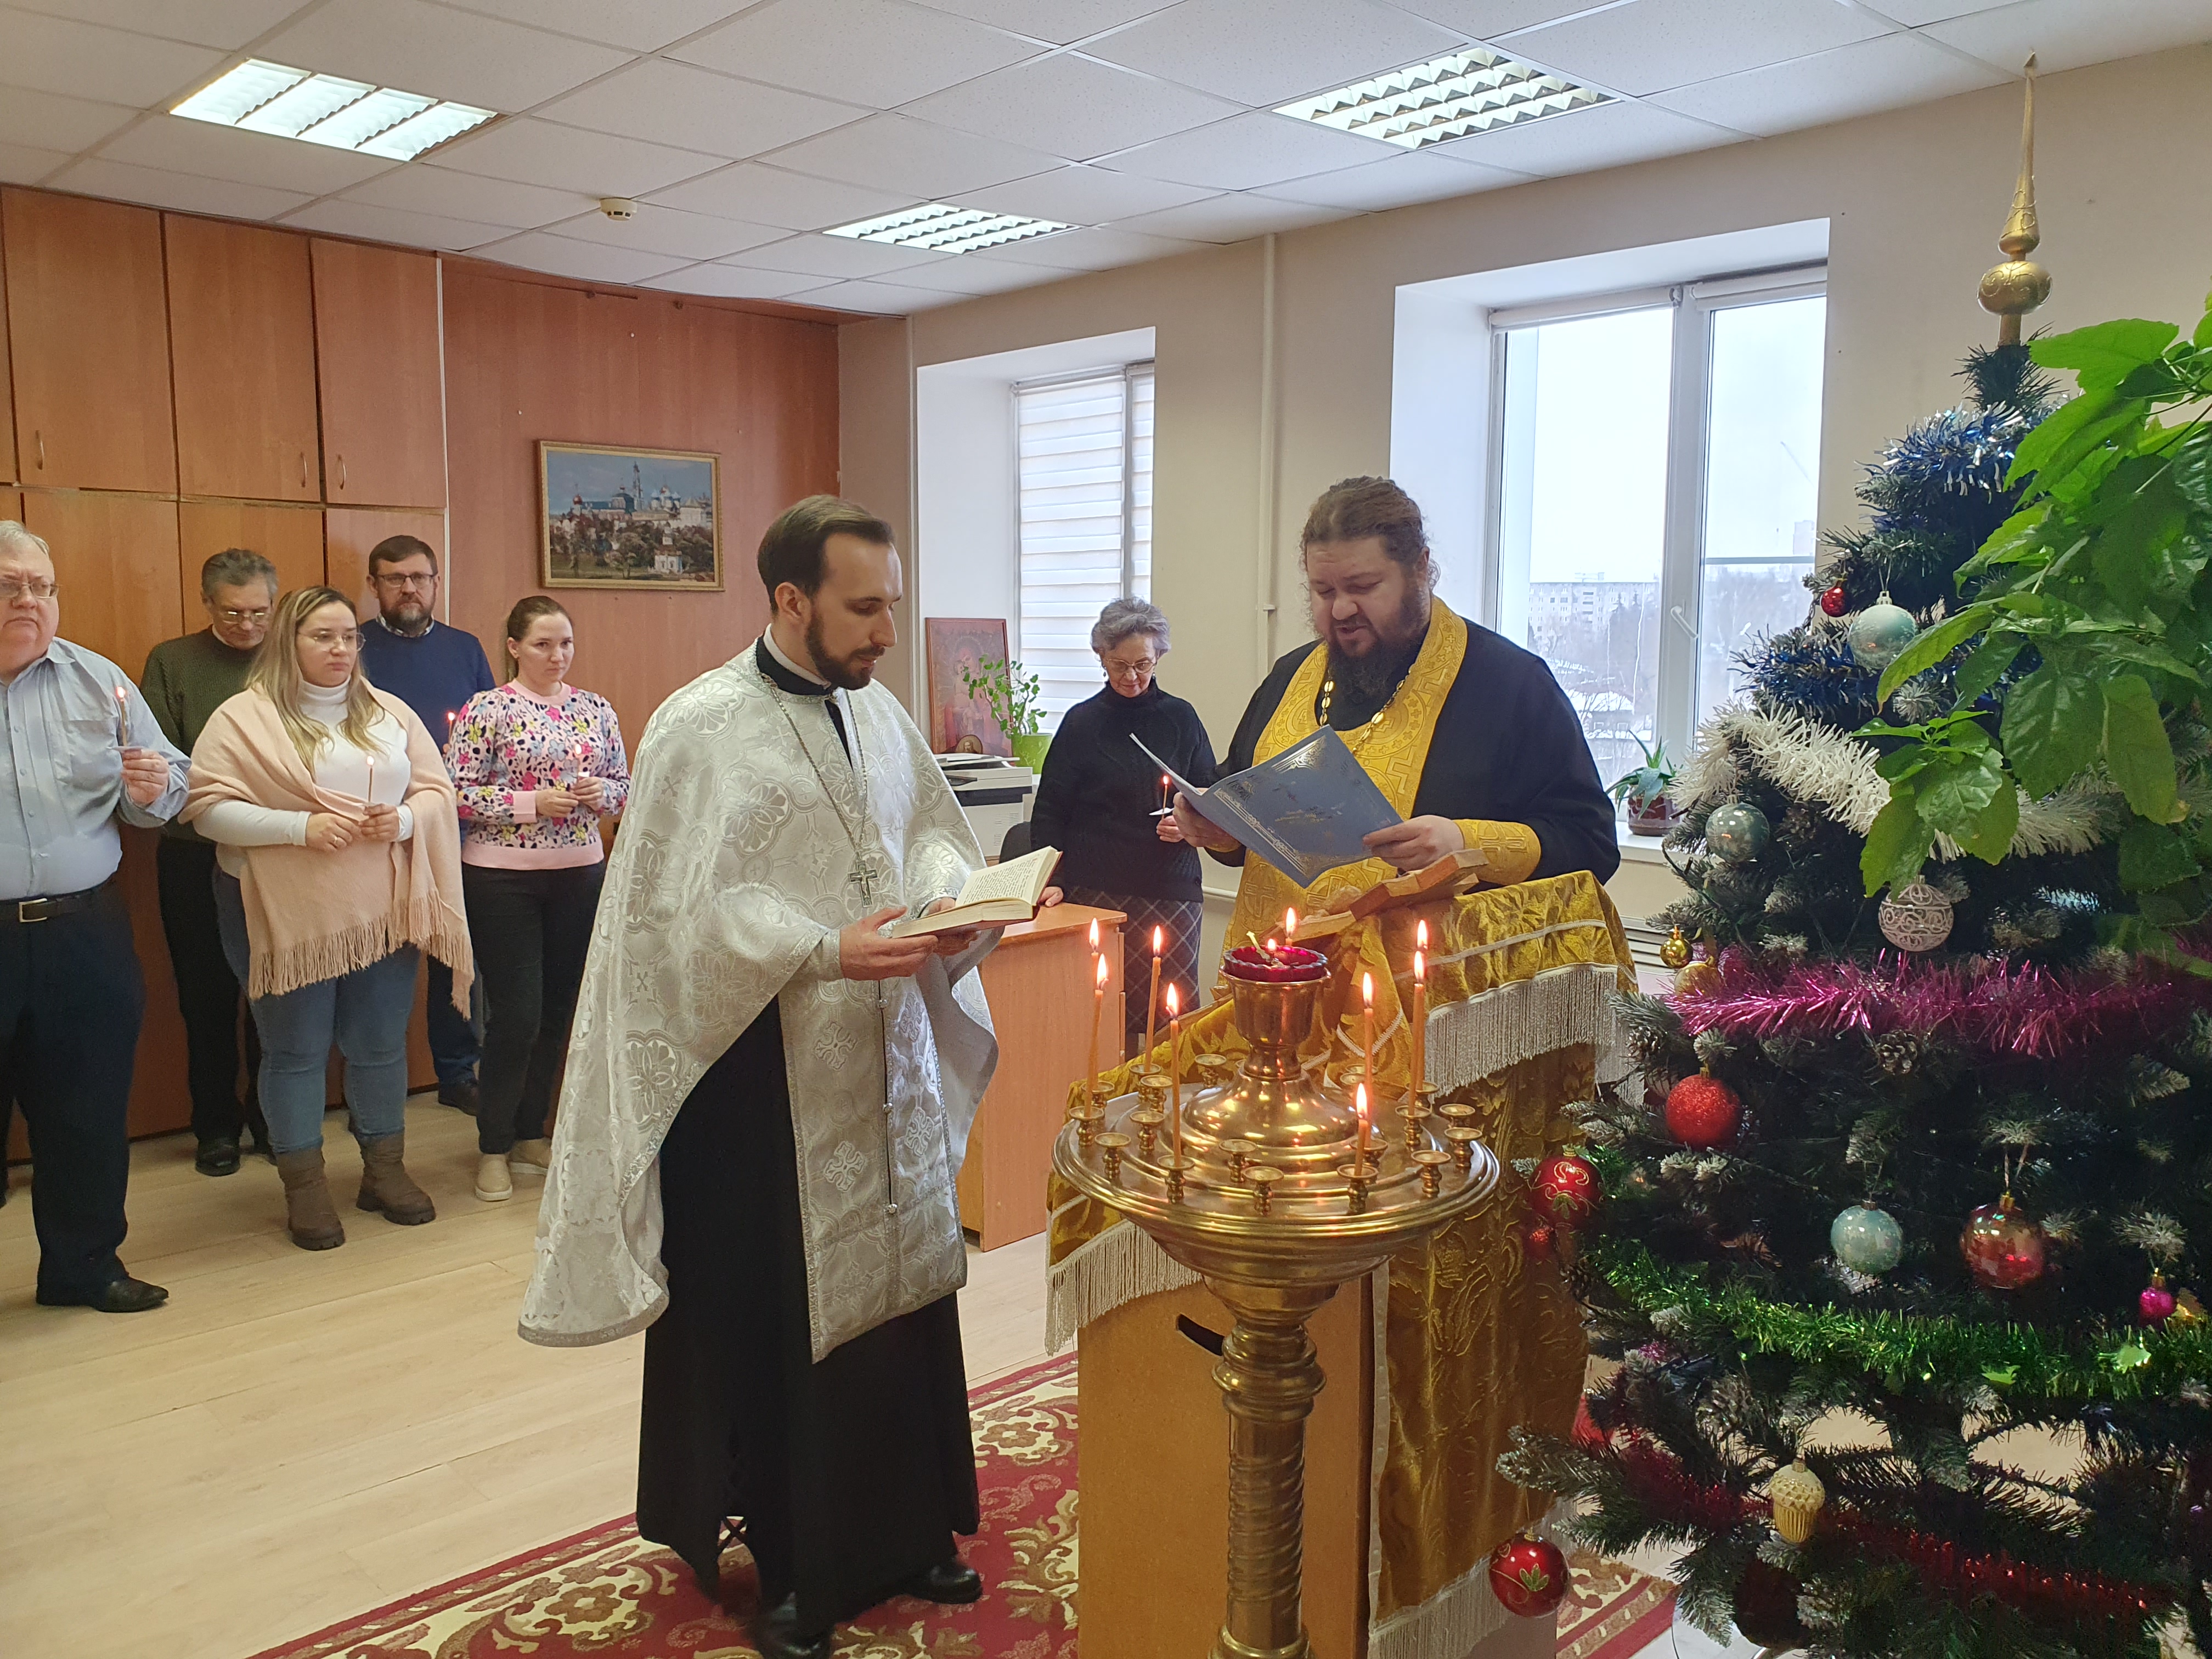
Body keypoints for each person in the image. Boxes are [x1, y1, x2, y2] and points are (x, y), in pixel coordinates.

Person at [524, 496, 1002, 1659]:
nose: (887, 629)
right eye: (864, 606)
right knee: (784, 1319)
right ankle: (797, 1567)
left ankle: (911, 1533)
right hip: (758, 1080)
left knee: (906, 1301)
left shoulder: (877, 707)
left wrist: (951, 901)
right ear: (791, 599)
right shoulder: (700, 726)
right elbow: (677, 918)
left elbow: (927, 831)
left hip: (882, 1053)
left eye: (892, 603)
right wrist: (821, 947)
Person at [1174, 477, 1618, 953]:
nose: (1341, 610)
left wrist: (1464, 842)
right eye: (1323, 591)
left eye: (1363, 587)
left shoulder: (1510, 683)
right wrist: (1215, 829)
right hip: (1278, 975)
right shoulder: (1290, 676)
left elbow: (1588, 841)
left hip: (1426, 983)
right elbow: (1243, 816)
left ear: (1420, 569)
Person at [184, 585, 473, 1252]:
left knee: (379, 1044)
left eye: (349, 636)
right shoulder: (243, 718)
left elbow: (436, 791)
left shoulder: (388, 711)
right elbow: (207, 809)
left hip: (382, 907)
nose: (341, 649)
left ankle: (384, 1171)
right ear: (288, 641)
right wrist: (299, 828)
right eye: (322, 636)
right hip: (287, 911)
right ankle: (306, 1187)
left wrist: (403, 819)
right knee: (295, 1050)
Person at [0, 520, 186, 1313]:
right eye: (10, 585)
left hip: (84, 933)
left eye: (42, 587)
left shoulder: (96, 679)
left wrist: (155, 790)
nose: (30, 600)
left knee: (88, 1110)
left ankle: (83, 1268)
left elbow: (169, 779)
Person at [446, 595, 629, 1204]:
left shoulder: (595, 709)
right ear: (515, 647)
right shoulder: (489, 708)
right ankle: (493, 1146)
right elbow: (455, 792)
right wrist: (531, 804)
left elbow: (625, 787)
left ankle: (531, 1134)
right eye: (544, 644)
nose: (557, 656)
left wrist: (601, 793)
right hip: (503, 878)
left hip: (578, 873)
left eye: (566, 643)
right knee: (517, 1015)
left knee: (557, 1013)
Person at [141, 548, 279, 1176]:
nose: (247, 625)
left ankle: (273, 1118)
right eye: (232, 613)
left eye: (259, 612)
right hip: (196, 855)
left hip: (278, 855)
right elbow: (161, 762)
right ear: (207, 604)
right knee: (207, 996)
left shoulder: (291, 659)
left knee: (275, 992)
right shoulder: (173, 661)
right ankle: (216, 1126)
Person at [1030, 597, 1216, 1058]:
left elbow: (1210, 797)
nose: (1132, 677)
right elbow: (1050, 810)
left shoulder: (1181, 718)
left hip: (1170, 890)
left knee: (1169, 1020)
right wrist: (1050, 880)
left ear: (1159, 657)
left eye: (1143, 664)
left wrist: (1188, 826)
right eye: (1120, 665)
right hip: (1096, 891)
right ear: (1101, 656)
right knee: (1100, 1015)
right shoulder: (1081, 723)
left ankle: (1162, 1098)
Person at [354, 534, 492, 1114]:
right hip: (376, 829)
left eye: (419, 578)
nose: (409, 589)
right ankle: (365, 1085)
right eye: (395, 578)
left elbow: (489, 729)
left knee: (453, 952)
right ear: (375, 585)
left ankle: (457, 1074)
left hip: (448, 827)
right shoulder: (352, 646)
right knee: (376, 960)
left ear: (436, 583)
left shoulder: (465, 648)